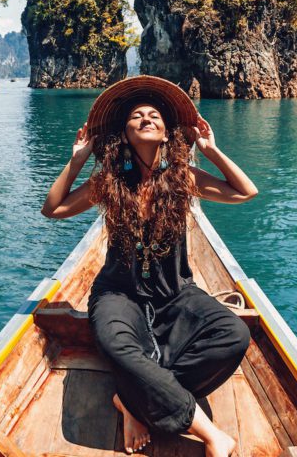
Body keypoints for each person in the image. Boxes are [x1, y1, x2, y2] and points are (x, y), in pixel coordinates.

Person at [40, 75, 259, 457]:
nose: (146, 118)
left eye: (154, 114)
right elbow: (53, 209)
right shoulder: (108, 182)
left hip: (176, 293)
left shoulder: (183, 178)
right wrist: (75, 161)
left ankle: (131, 401)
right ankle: (211, 434)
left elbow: (245, 191)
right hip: (118, 294)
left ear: (166, 131)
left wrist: (210, 151)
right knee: (116, 343)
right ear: (124, 134)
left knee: (234, 335)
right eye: (136, 116)